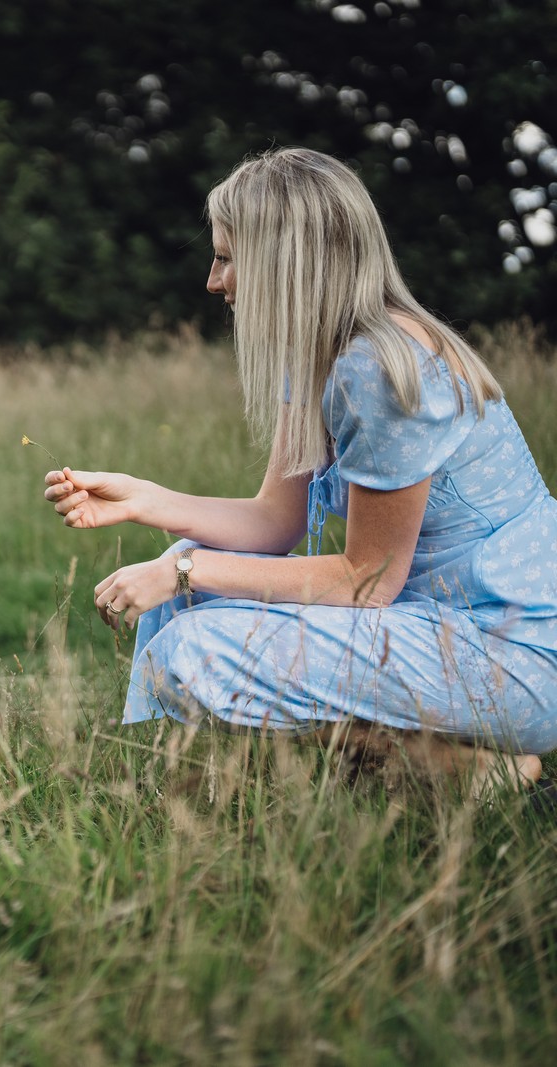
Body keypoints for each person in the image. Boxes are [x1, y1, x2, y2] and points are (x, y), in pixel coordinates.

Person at [43, 147, 557, 797]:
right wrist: (144, 499)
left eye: (226, 257)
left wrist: (180, 572)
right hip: (431, 625)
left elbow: (365, 581)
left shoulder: (380, 369)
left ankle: (459, 767)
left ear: (285, 262)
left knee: (195, 645)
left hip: (510, 652)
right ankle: (458, 769)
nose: (213, 279)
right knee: (191, 567)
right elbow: (275, 521)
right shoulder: (318, 355)